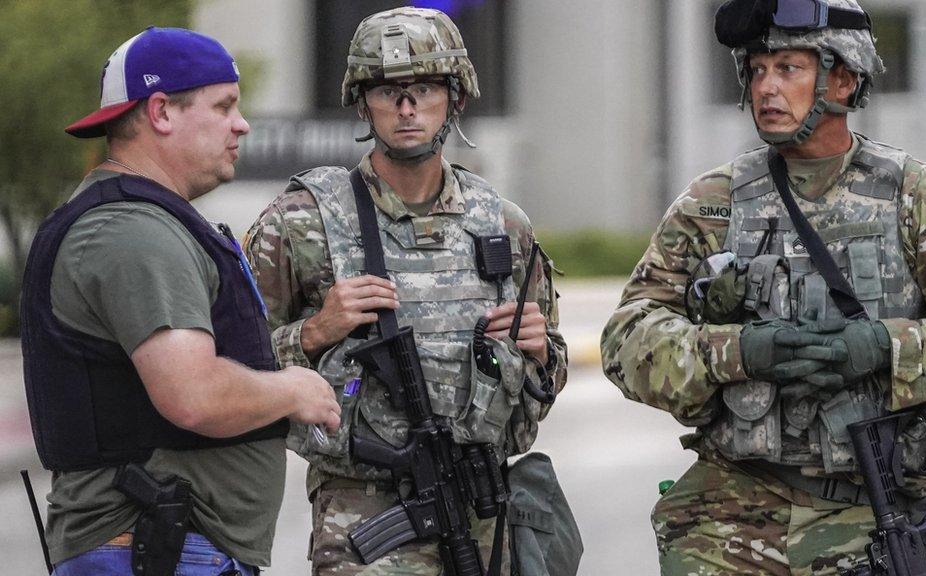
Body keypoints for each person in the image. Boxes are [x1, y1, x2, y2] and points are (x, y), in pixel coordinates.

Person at [601, 0, 926, 574]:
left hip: (875, 512)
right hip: (731, 514)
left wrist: (886, 349)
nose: (766, 88)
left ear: (844, 79)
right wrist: (737, 353)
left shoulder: (917, 196)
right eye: (757, 70)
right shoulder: (713, 203)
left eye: (788, 69)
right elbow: (626, 339)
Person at [244, 7, 567, 576]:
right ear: (362, 102)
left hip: (481, 506)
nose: (406, 106)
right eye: (387, 90)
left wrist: (540, 354)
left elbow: (547, 379)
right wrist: (316, 332)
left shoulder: (502, 225)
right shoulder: (303, 223)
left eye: (423, 88)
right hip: (362, 516)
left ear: (456, 98)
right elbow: (234, 369)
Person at [21, 27, 341, 576]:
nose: (241, 124)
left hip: (166, 547)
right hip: (155, 548)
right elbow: (193, 395)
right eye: (223, 106)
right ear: (162, 112)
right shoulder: (132, 230)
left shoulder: (145, 221)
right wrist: (292, 390)